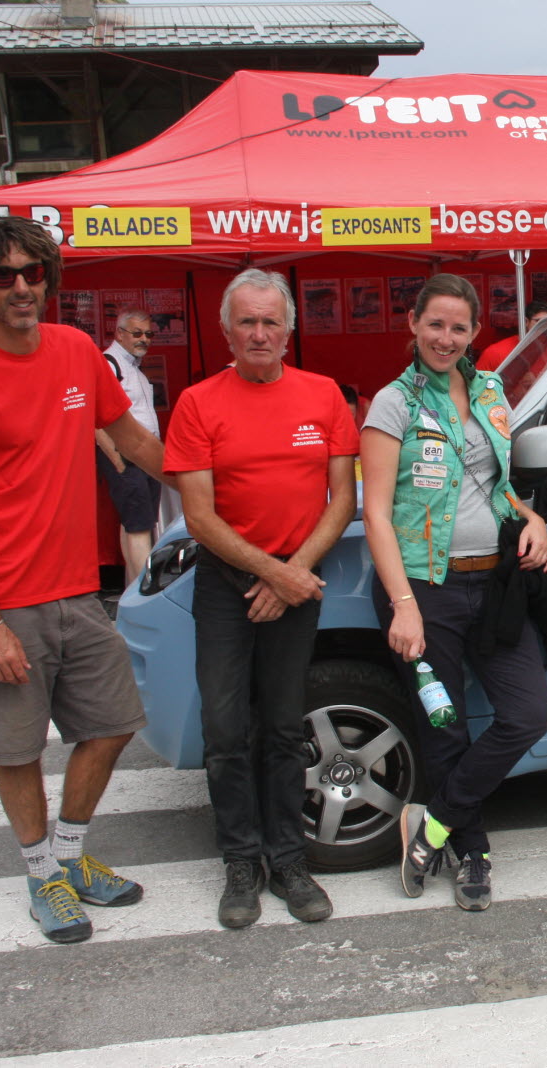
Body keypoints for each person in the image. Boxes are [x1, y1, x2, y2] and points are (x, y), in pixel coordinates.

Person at [0, 216, 166, 944]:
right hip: (3, 602)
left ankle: (68, 856)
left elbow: (131, 440)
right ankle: (42, 877)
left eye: (33, 272)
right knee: (18, 749)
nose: (22, 286)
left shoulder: (73, 353)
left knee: (116, 723)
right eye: (3, 276)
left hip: (74, 592)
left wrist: (217, 488)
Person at [164, 269, 358, 929]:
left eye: (270, 322)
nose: (258, 333)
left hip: (296, 582)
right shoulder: (196, 402)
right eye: (246, 322)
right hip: (226, 586)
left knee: (282, 728)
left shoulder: (325, 394)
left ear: (288, 330)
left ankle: (289, 860)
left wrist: (293, 573)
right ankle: (240, 863)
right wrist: (272, 574)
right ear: (226, 329)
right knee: (225, 731)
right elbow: (199, 516)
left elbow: (343, 500)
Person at [361, 274, 547, 911]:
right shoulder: (395, 402)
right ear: (413, 325)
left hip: (493, 585)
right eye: (435, 324)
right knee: (445, 727)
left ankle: (434, 823)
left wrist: (532, 517)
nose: (446, 338)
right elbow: (378, 512)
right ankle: (472, 852)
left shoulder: (491, 388)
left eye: (459, 327)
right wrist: (404, 606)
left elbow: (491, 488)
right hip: (426, 591)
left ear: (475, 333)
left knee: (528, 714)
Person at [95, 309, 163, 587]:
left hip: (144, 454)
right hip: (127, 455)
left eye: (149, 334)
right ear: (119, 333)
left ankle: (132, 590)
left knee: (136, 523)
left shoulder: (133, 367)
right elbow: (94, 418)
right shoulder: (108, 364)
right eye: (137, 333)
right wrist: (117, 459)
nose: (144, 339)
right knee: (139, 525)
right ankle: (147, 593)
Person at [474, 300, 547, 372]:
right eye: (539, 321)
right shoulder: (495, 352)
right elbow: (478, 385)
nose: (545, 326)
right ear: (526, 321)